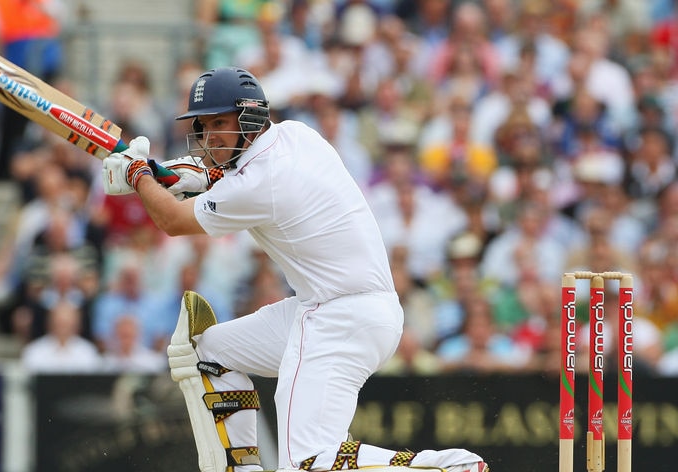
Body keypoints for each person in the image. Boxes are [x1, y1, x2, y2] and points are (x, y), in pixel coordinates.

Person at [101, 67, 488, 472]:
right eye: (203, 125)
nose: (208, 135)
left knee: (307, 462)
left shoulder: (258, 184)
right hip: (337, 309)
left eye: (219, 122)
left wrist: (139, 174)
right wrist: (201, 176)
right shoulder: (298, 135)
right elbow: (234, 176)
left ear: (248, 119)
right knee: (208, 353)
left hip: (339, 318)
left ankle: (443, 467)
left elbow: (174, 222)